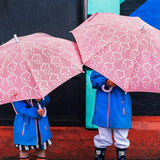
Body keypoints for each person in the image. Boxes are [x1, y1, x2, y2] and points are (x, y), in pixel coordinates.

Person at [90, 70, 132, 160]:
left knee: (121, 135)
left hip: (121, 108)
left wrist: (121, 80)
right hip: (103, 108)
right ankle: (99, 156)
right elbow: (93, 80)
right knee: (103, 136)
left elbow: (133, 82)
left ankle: (121, 156)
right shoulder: (101, 64)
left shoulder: (128, 66)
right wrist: (105, 81)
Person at [12, 95, 52, 160]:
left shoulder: (38, 88)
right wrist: (36, 112)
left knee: (41, 149)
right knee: (24, 150)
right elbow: (21, 108)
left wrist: (40, 100)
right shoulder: (16, 92)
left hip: (40, 127)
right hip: (24, 126)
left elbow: (46, 100)